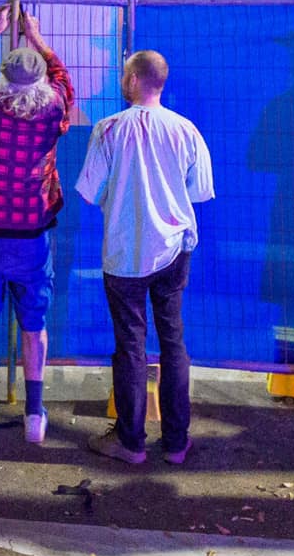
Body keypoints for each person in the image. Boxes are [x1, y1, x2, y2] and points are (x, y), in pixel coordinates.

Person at [76, 49, 214, 466]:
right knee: (173, 340)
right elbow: (198, 191)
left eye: (124, 74)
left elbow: (89, 192)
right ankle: (176, 442)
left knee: (130, 346)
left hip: (124, 253)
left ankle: (130, 441)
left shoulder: (108, 130)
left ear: (134, 80)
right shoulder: (187, 130)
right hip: (173, 249)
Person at [0, 2, 74, 443]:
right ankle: (35, 415)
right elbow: (62, 76)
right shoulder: (54, 107)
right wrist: (37, 37)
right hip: (32, 233)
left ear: (4, 75)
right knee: (33, 322)